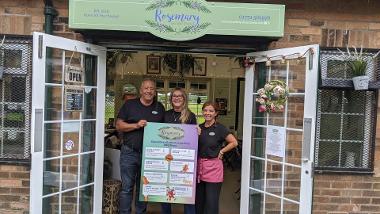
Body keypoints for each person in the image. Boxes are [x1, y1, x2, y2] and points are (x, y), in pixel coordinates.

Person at [116, 79, 165, 214]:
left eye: (152, 89)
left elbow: (166, 130)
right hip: (129, 152)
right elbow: (119, 125)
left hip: (150, 155)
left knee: (144, 188)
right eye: (146, 88)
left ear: (155, 92)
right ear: (141, 90)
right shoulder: (130, 105)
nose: (149, 91)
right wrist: (136, 125)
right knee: (127, 188)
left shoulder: (159, 107)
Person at [195, 101, 238, 214]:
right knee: (199, 201)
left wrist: (222, 151)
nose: (207, 113)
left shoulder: (220, 128)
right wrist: (195, 134)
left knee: (211, 202)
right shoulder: (198, 128)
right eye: (205, 110)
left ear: (215, 113)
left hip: (213, 168)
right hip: (199, 167)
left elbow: (234, 142)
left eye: (211, 111)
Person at [161, 87, 197, 214]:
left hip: (184, 159)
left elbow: (193, 139)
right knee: (167, 189)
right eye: (174, 96)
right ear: (171, 99)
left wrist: (197, 132)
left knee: (186, 190)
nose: (176, 98)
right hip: (167, 158)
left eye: (179, 96)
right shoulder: (165, 114)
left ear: (184, 99)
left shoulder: (190, 116)